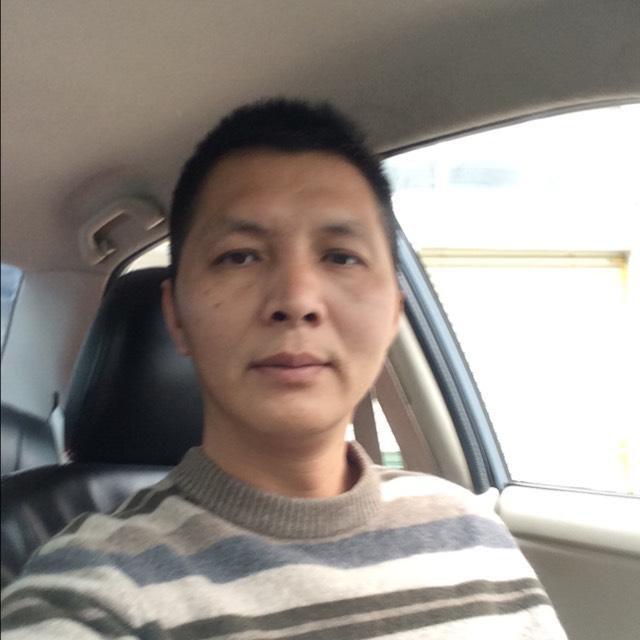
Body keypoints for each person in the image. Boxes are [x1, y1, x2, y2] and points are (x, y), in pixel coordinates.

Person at [1, 98, 567, 638]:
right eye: (239, 256)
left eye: (341, 257)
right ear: (176, 317)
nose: (296, 300)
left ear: (393, 313)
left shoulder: (474, 535)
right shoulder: (91, 592)